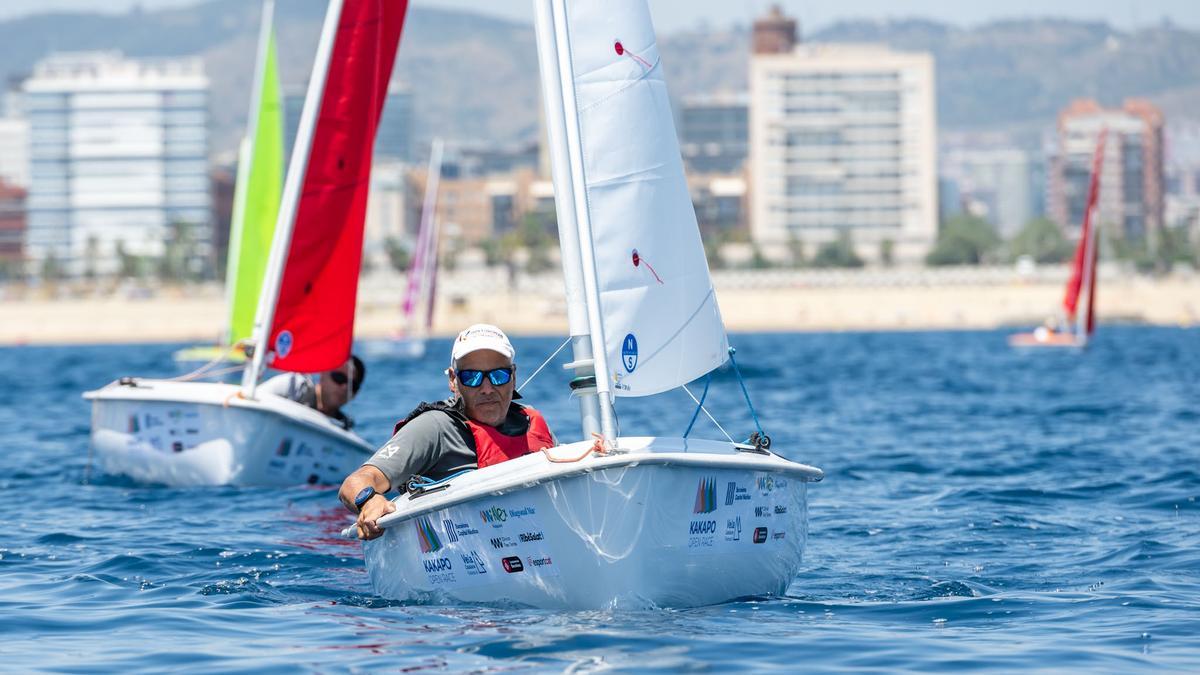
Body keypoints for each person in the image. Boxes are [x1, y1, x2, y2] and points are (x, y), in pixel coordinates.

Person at [338, 323, 554, 540]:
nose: (487, 388)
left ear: (513, 376)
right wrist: (369, 501)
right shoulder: (435, 428)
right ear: (453, 380)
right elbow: (355, 482)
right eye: (472, 377)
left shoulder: (530, 424)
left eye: (498, 376)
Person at [260, 355, 365, 429]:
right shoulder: (292, 386)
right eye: (339, 378)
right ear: (323, 374)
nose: (344, 387)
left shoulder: (343, 430)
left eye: (353, 386)